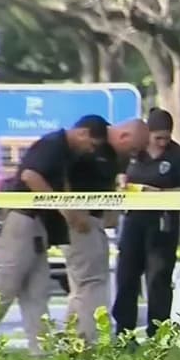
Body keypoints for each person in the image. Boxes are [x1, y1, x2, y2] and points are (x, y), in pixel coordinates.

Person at [0, 116, 110, 351]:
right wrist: (63, 209)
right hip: (22, 220)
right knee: (2, 288)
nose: (91, 150)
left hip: (36, 225)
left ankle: (42, 352)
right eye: (91, 144)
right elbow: (31, 175)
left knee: (36, 292)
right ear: (82, 133)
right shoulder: (52, 145)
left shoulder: (65, 152)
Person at [62, 117, 150, 342]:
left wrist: (110, 212)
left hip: (96, 222)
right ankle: (85, 339)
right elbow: (62, 178)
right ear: (123, 137)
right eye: (132, 149)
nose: (132, 156)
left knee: (90, 282)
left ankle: (77, 339)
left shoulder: (116, 157)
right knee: (90, 283)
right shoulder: (92, 137)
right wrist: (73, 214)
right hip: (80, 221)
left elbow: (110, 185)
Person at [111, 108, 180, 337]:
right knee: (126, 277)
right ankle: (123, 334)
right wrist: (120, 181)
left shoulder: (177, 156)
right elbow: (115, 174)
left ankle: (158, 334)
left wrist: (159, 192)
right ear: (147, 133)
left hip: (162, 223)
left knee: (158, 279)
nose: (162, 143)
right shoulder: (133, 153)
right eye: (158, 138)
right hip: (133, 221)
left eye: (166, 138)